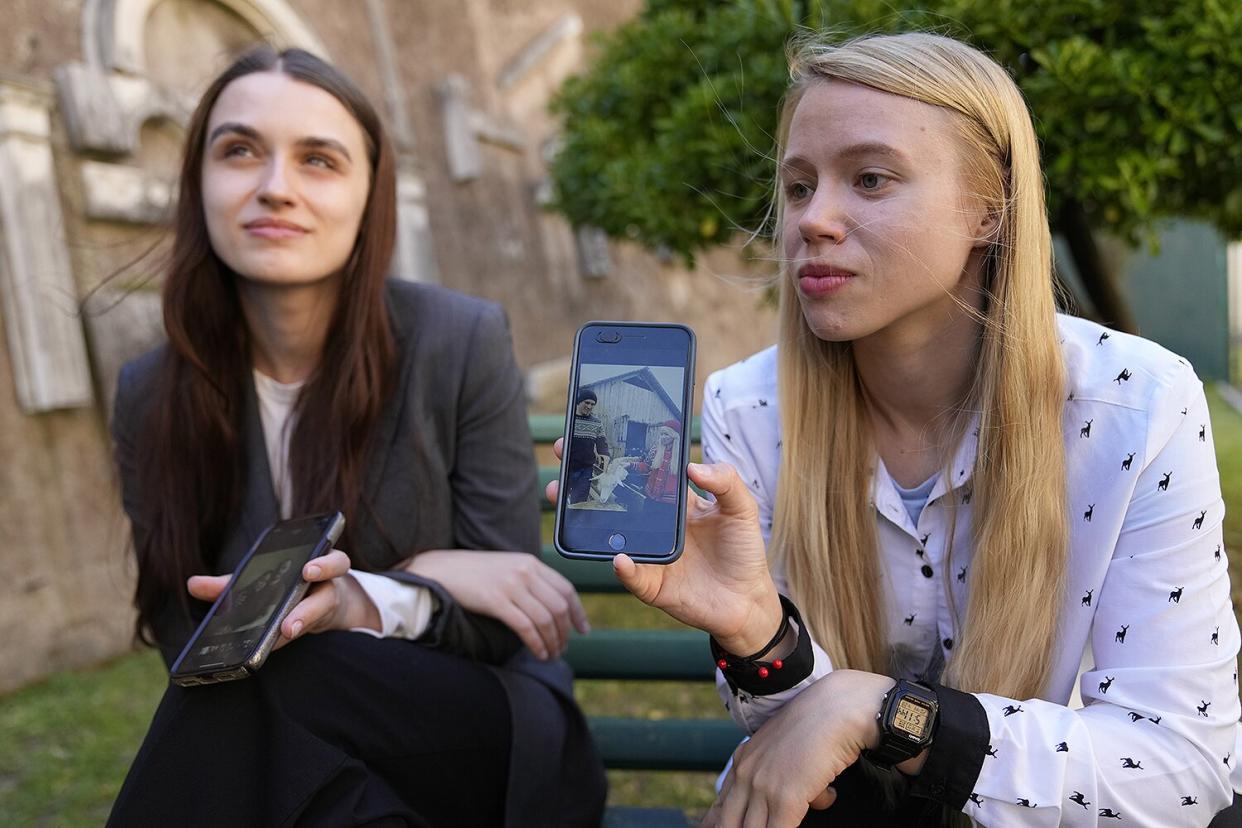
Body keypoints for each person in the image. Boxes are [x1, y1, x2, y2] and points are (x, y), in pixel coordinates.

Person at [551, 31, 1238, 827]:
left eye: (870, 179)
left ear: (989, 210)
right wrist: (754, 631)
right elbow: (802, 740)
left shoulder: (1137, 406)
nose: (814, 219)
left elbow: (1183, 769)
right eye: (799, 186)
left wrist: (884, 708)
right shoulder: (748, 407)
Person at [108, 46, 604, 827]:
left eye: (319, 160)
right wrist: (420, 570)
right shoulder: (150, 394)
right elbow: (189, 648)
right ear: (197, 182)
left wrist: (366, 599)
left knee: (279, 680)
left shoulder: (457, 340)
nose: (276, 187)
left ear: (370, 194)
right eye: (239, 151)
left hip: (486, 736)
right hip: (298, 770)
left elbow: (512, 620)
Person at [567, 389, 609, 504]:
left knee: (579, 502)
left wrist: (606, 468)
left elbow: (603, 446)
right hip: (568, 468)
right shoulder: (569, 420)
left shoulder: (596, 423)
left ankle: (575, 522)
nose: (589, 406)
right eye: (587, 403)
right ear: (579, 402)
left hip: (586, 470)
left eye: (592, 404)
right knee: (562, 499)